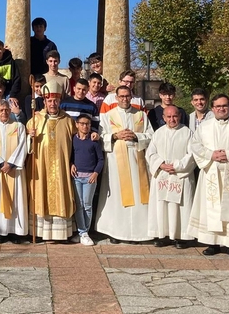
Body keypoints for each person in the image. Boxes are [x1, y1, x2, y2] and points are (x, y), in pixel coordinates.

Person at [187, 94, 229, 257]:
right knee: (211, 208)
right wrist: (211, 155)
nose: (221, 109)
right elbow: (195, 145)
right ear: (213, 108)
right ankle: (212, 243)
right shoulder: (204, 127)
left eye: (224, 106)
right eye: (218, 106)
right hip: (211, 171)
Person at [96, 85, 152, 244]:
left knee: (138, 194)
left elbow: (151, 135)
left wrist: (136, 136)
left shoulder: (141, 114)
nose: (124, 99)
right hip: (116, 161)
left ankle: (138, 233)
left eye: (127, 96)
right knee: (117, 196)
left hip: (137, 160)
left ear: (131, 97)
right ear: (116, 98)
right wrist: (115, 136)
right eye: (121, 96)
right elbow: (100, 137)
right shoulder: (108, 115)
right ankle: (115, 232)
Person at [26, 80, 76, 241]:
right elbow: (26, 147)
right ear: (44, 102)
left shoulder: (68, 120)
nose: (52, 104)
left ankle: (61, 233)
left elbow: (75, 144)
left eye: (55, 100)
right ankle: (41, 232)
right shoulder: (36, 119)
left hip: (61, 167)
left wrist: (73, 162)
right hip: (41, 167)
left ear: (60, 101)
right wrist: (30, 137)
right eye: (49, 101)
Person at [147, 105, 196, 249]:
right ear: (163, 118)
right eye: (168, 117)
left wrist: (177, 166)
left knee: (180, 207)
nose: (172, 119)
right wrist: (161, 164)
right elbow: (150, 153)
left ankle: (181, 237)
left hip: (180, 175)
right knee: (162, 205)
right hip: (162, 175)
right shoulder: (158, 133)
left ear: (179, 116)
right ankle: (163, 235)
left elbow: (192, 154)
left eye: (175, 116)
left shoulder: (187, 132)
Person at [0, 102, 29, 244]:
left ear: (10, 111)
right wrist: (1, 164)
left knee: (16, 200)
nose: (4, 112)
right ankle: (0, 232)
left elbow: (22, 145)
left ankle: (14, 231)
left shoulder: (18, 127)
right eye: (1, 110)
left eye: (6, 110)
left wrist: (11, 164)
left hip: (14, 170)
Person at [70, 114, 104, 246]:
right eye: (82, 124)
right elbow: (71, 155)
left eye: (88, 124)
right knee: (79, 205)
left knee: (87, 204)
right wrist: (71, 164)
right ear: (77, 125)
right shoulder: (73, 139)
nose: (85, 126)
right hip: (77, 177)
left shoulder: (93, 140)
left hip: (90, 177)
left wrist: (96, 173)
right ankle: (82, 232)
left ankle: (85, 232)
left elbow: (100, 159)